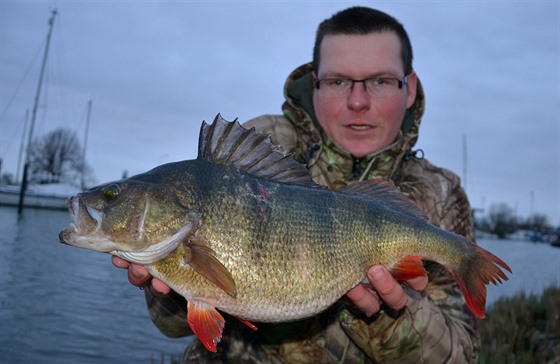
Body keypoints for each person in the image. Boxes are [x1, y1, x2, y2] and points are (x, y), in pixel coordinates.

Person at [113, 6, 480, 363]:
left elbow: (461, 357)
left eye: (380, 81)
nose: (357, 102)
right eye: (338, 81)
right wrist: (168, 283)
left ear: (410, 88)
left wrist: (383, 315)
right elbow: (171, 326)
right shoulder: (258, 149)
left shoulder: (442, 195)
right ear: (314, 83)